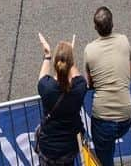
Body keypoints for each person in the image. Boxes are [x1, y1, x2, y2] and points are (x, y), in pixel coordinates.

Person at [84, 6, 131, 166]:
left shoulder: (89, 50)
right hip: (126, 116)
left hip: (103, 119)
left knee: (105, 159)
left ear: (95, 27)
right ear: (112, 24)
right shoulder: (124, 41)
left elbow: (89, 83)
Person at [36, 33, 87, 166]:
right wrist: (71, 57)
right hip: (68, 148)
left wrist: (47, 54)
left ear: (55, 64)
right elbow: (76, 75)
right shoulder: (79, 88)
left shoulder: (46, 88)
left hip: (47, 148)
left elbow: (42, 76)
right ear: (71, 64)